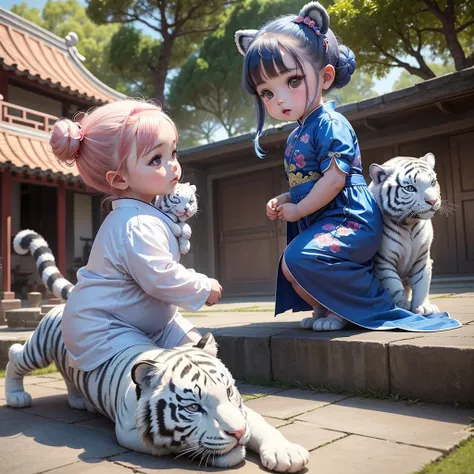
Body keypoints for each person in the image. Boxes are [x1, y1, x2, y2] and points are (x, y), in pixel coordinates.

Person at [235, 1, 460, 332]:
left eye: (292, 81)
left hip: (349, 219)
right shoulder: (297, 134)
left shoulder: (331, 123)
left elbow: (335, 181)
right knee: (290, 266)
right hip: (323, 218)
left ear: (325, 76)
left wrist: (298, 212)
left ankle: (366, 306)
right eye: (266, 92)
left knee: (299, 259)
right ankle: (333, 307)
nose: (279, 98)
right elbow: (310, 182)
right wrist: (287, 199)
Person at [49, 100, 222, 371]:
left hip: (149, 323)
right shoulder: (135, 223)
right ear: (119, 180)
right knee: (152, 373)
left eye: (173, 153)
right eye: (156, 159)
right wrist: (203, 287)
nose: (173, 165)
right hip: (105, 329)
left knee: (203, 356)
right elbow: (159, 277)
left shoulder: (145, 213)